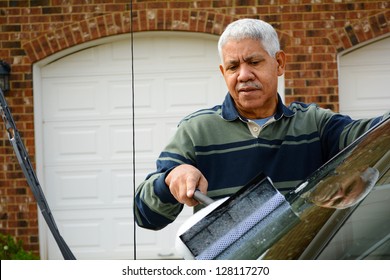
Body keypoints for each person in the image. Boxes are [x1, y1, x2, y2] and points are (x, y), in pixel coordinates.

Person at [134, 18, 389, 230]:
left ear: (279, 63)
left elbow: (377, 134)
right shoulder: (196, 131)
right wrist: (169, 180)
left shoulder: (314, 124)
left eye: (254, 62)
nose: (244, 75)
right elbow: (145, 216)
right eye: (233, 67)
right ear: (224, 73)